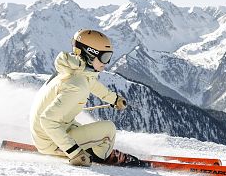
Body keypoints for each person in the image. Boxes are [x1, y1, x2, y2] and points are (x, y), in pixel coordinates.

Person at [29, 29, 143, 167]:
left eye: (109, 57)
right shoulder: (77, 86)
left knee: (89, 131)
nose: (106, 63)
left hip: (53, 132)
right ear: (90, 55)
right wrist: (75, 153)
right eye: (104, 57)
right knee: (109, 130)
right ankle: (101, 156)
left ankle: (86, 147)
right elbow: (47, 120)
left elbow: (92, 84)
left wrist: (114, 99)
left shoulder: (75, 70)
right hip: (51, 141)